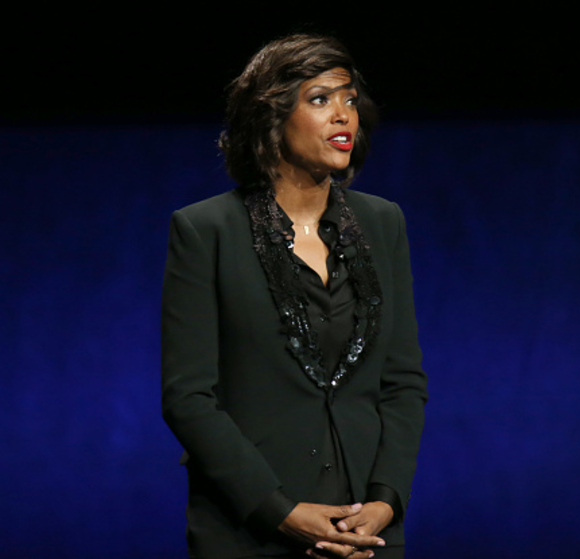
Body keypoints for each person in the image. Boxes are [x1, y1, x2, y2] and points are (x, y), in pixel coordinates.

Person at [161, 34, 427, 558]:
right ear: (271, 115)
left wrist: (386, 500)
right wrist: (277, 510)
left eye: (349, 100)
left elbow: (403, 382)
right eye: (321, 99)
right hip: (250, 529)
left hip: (365, 531)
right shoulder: (205, 230)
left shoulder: (382, 222)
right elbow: (189, 398)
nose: (343, 116)